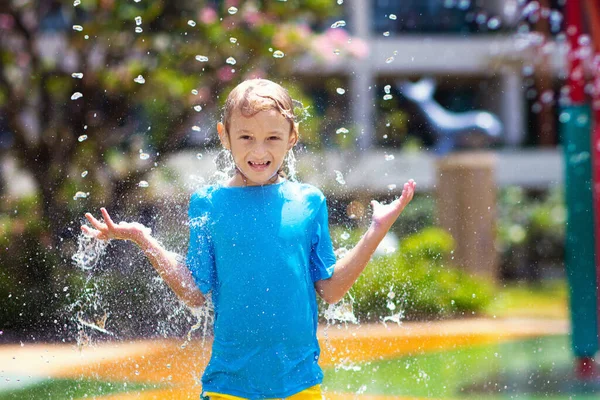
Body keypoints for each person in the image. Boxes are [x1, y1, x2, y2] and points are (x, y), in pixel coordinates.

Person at [82, 79, 416, 400]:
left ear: (292, 137)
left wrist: (376, 230)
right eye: (245, 137)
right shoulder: (208, 203)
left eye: (272, 137)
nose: (259, 150)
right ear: (224, 136)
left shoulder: (309, 202)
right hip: (229, 385)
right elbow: (195, 292)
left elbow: (330, 289)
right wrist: (146, 241)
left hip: (299, 385)